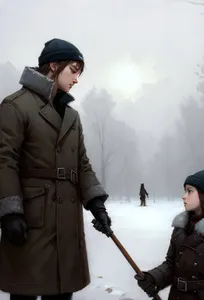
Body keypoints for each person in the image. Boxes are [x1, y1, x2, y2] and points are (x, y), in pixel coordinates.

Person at [0, 38, 113, 300]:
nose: (77, 79)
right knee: (26, 289)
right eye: (74, 70)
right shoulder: (15, 105)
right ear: (53, 65)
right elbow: (4, 160)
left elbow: (82, 164)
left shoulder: (72, 116)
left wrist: (97, 204)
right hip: (31, 217)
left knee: (62, 292)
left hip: (67, 219)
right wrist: (10, 212)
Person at [134, 166, 204, 300]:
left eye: (189, 191)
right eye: (185, 191)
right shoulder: (181, 228)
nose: (184, 196)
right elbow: (171, 265)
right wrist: (152, 277)